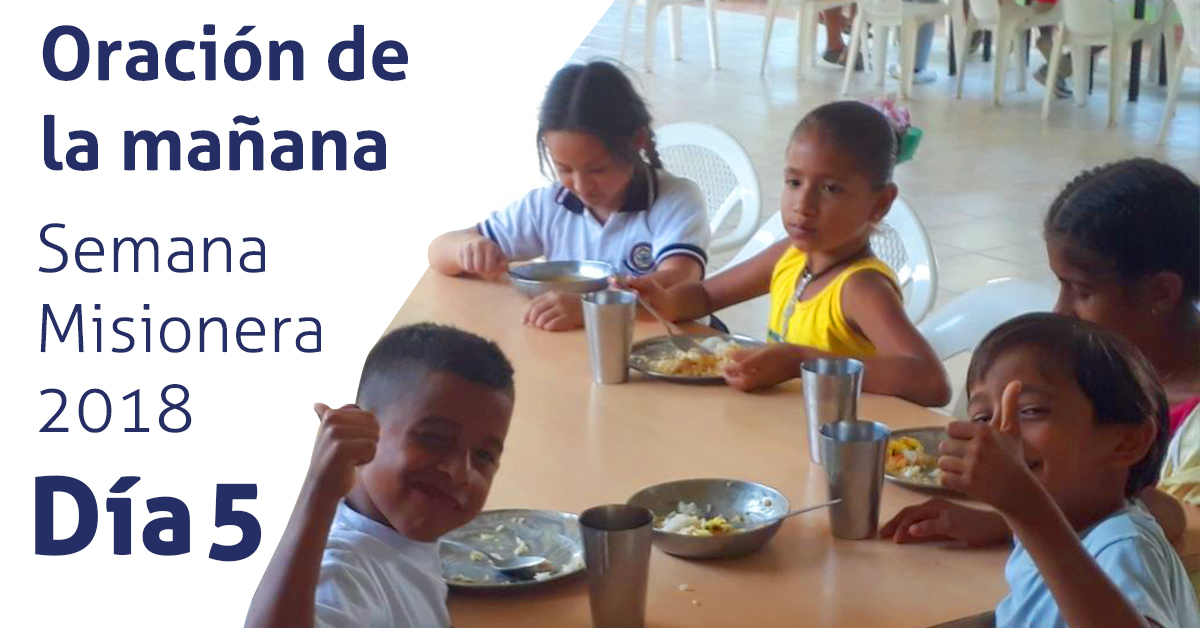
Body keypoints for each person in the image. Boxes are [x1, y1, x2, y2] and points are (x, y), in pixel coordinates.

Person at [883, 158, 1195, 544]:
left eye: (1081, 291)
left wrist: (1012, 521)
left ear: (1161, 292)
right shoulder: (1085, 372)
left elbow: (1179, 521)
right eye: (1060, 285)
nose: (1060, 310)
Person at [622, 101, 950, 407]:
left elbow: (931, 382)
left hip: (830, 435)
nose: (803, 206)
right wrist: (665, 301)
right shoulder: (791, 255)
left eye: (830, 188)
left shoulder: (860, 288)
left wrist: (800, 361)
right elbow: (707, 295)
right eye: (794, 182)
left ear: (880, 203)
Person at [921, 313, 1199, 627]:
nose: (999, 433)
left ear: (1127, 442)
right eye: (983, 418)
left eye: (1031, 410)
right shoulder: (1071, 524)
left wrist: (1028, 510)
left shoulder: (1123, 546)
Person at [244, 323, 516, 628]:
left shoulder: (397, 535)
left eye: (484, 455)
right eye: (434, 438)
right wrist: (319, 489)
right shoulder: (342, 572)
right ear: (362, 430)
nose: (460, 472)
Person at [428, 60, 709, 332]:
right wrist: (467, 248)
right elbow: (438, 251)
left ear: (637, 141)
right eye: (564, 169)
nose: (581, 186)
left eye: (597, 169)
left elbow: (679, 280)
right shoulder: (549, 204)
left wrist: (591, 308)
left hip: (664, 342)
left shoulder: (675, 199)